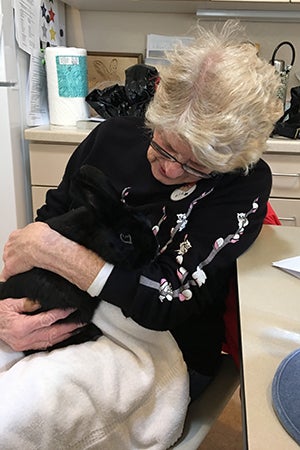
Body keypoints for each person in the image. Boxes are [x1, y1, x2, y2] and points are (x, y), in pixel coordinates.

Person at [0, 21, 281, 449]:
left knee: (14, 414)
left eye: (196, 166)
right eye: (164, 146)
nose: (170, 170)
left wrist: (52, 249)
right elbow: (49, 220)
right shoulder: (113, 136)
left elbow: (163, 300)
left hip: (156, 342)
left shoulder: (243, 182)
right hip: (70, 305)